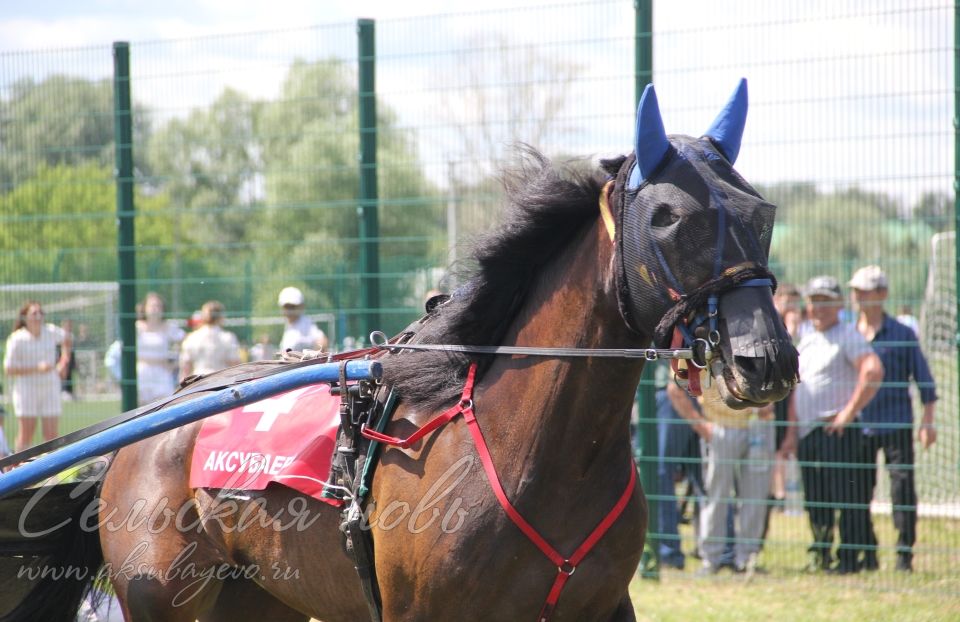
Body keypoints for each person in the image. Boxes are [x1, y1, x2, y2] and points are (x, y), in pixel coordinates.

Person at [786, 275, 883, 574]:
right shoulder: (808, 338)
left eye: (826, 301)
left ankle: (852, 559)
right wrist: (792, 433)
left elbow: (873, 371)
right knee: (816, 500)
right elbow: (797, 389)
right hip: (809, 434)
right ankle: (821, 556)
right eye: (814, 300)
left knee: (848, 500)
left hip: (837, 432)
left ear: (840, 304)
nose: (818, 307)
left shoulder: (848, 336)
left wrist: (848, 413)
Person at [849, 265, 938, 572]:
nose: (858, 296)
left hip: (897, 423)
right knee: (858, 490)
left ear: (883, 294)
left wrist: (928, 422)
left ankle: (904, 554)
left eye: (865, 290)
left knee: (902, 490)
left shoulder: (903, 333)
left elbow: (925, 381)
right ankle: (867, 553)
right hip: (858, 426)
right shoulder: (849, 332)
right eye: (856, 290)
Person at [668, 372, 775, 575]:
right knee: (715, 496)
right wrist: (700, 425)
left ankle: (747, 560)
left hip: (759, 427)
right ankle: (710, 560)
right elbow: (675, 388)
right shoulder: (703, 341)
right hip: (719, 428)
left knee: (755, 497)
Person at [3, 301, 72, 451]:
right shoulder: (17, 338)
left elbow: (67, 338)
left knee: (51, 435)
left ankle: (54, 472)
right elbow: (8, 369)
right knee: (26, 434)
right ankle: (18, 471)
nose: (38, 316)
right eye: (34, 313)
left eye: (41, 313)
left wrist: (64, 361)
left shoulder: (50, 331)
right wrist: (36, 368)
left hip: (50, 387)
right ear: (25, 317)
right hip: (26, 389)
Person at [135, 292, 185, 406]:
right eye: (152, 306)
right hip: (141, 372)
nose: (155, 309)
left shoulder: (168, 326)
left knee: (165, 406)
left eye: (158, 306)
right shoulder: (136, 327)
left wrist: (177, 363)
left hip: (162, 372)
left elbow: (186, 342)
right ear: (145, 308)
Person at [179, 301, 240, 380]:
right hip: (221, 381)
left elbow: (186, 365)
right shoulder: (228, 338)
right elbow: (234, 363)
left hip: (198, 381)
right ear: (221, 316)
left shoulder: (192, 337)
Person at [278, 286, 328, 353]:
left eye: (292, 307)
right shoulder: (289, 325)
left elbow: (322, 342)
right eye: (287, 307)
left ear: (301, 306)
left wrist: (312, 359)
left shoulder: (305, 323)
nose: (289, 310)